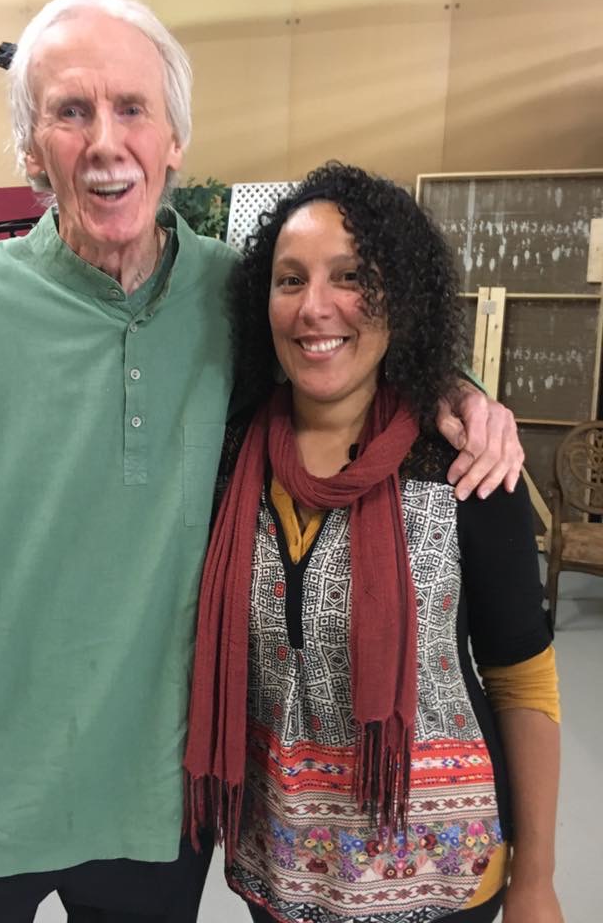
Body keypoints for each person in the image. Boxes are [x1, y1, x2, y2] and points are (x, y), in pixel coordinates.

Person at [0, 0, 522, 923]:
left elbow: (357, 339)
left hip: (158, 808)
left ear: (175, 138)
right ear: (28, 148)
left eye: (133, 108)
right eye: (71, 112)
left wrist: (461, 392)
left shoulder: (241, 296)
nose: (106, 143)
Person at [184, 164, 564, 923]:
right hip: (281, 875)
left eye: (351, 276)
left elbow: (523, 678)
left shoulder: (466, 465)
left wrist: (536, 881)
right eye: (290, 280)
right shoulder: (226, 461)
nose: (315, 307)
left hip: (445, 877)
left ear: (402, 298)